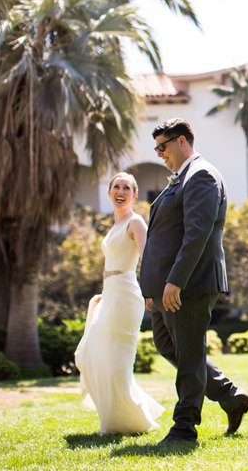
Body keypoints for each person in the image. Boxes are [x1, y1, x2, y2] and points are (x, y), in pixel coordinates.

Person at [140, 118, 248, 445]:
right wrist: (153, 288)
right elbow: (162, 236)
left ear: (181, 142)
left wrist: (176, 281)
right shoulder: (182, 178)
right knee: (167, 344)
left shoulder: (201, 175)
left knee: (189, 356)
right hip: (166, 288)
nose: (160, 153)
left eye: (162, 147)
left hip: (190, 284)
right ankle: (231, 397)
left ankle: (184, 429)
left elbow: (197, 235)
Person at [74, 172, 164, 434]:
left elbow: (148, 258)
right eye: (116, 186)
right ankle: (121, 415)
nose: (121, 190)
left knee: (117, 361)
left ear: (134, 195)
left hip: (126, 296)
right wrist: (104, 292)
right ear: (110, 192)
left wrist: (150, 292)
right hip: (110, 293)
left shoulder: (136, 223)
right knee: (93, 351)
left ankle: (126, 421)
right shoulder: (114, 225)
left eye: (126, 187)